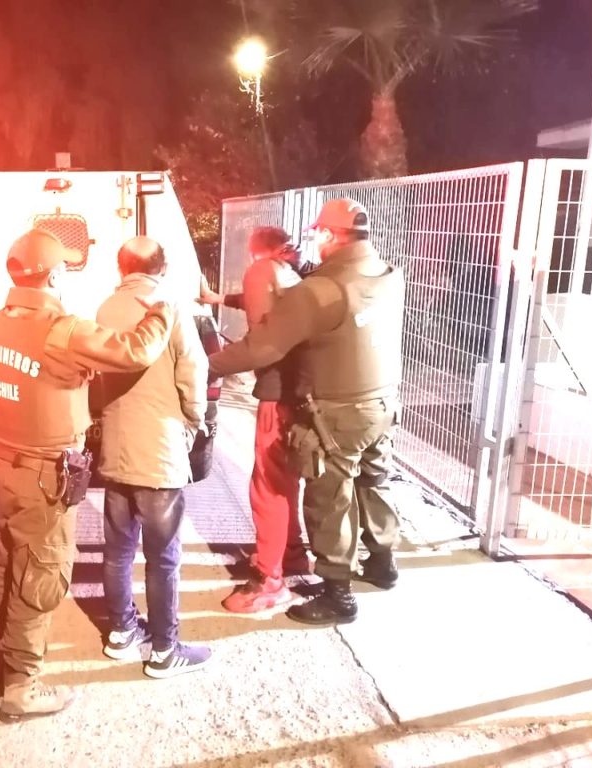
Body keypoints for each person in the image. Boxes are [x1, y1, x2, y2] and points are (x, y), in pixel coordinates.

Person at [0, 228, 176, 722]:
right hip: (42, 474)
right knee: (40, 572)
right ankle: (21, 686)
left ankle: (2, 641)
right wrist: (162, 310)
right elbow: (135, 351)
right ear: (56, 274)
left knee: (7, 556)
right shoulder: (63, 329)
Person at [208, 198, 405, 625]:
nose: (312, 240)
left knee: (330, 498)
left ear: (331, 235)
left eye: (317, 232)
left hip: (337, 411)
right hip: (383, 403)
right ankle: (382, 563)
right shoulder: (388, 274)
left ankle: (338, 596)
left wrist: (202, 365)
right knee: (373, 480)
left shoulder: (321, 290)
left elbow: (261, 347)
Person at [94, 236, 212, 678]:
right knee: (162, 556)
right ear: (162, 267)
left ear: (120, 267)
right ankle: (165, 650)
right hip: (159, 448)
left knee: (117, 550)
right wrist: (194, 420)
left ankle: (121, 630)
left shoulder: (106, 308)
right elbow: (193, 369)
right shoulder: (169, 305)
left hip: (116, 444)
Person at [200, 227, 311, 613]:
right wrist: (218, 298)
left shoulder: (262, 271)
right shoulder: (293, 274)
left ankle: (269, 579)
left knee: (267, 486)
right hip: (301, 391)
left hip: (277, 393)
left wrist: (205, 366)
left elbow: (262, 340)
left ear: (255, 252)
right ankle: (291, 553)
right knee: (285, 481)